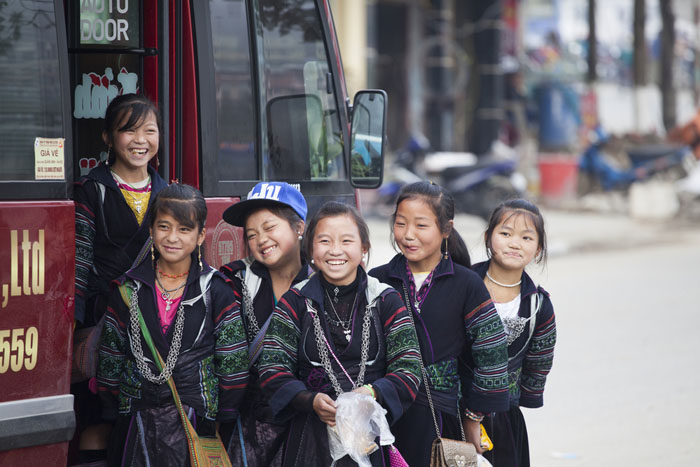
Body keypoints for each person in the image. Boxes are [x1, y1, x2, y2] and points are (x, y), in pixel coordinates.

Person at [257, 201, 421, 467]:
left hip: (370, 439)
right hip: (308, 441)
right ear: (310, 250)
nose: (335, 251)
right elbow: (272, 369)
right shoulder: (295, 302)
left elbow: (410, 369)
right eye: (324, 241)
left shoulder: (385, 301)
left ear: (364, 249)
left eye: (346, 241)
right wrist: (309, 400)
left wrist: (371, 392)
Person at [96, 184, 249, 466]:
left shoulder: (216, 290)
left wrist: (223, 417)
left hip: (196, 420)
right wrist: (111, 411)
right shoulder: (127, 288)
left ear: (201, 235)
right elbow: (111, 358)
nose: (172, 238)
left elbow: (233, 364)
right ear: (151, 231)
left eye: (184, 229)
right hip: (137, 420)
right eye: (164, 227)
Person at [368, 181, 510, 466]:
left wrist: (473, 417)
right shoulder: (378, 279)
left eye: (421, 226)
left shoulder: (466, 284)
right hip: (384, 416)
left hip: (443, 418)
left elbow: (492, 356)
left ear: (446, 229)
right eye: (400, 223)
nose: (408, 235)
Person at [72, 93, 168, 465]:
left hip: (159, 325)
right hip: (104, 319)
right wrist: (76, 324)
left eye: (149, 130)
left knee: (146, 414)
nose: (140, 139)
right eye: (128, 130)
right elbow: (80, 260)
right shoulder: (92, 189)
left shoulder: (170, 192)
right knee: (101, 417)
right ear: (108, 138)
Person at [219, 182, 310, 467]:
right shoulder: (233, 280)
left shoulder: (324, 280)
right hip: (247, 422)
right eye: (252, 234)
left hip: (306, 417)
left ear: (299, 228)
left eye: (270, 228)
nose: (261, 240)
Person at [472, 199, 556, 467]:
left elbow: (539, 360)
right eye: (505, 233)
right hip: (452, 410)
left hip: (503, 417)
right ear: (488, 238)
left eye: (526, 237)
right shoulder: (464, 285)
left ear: (538, 248)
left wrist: (526, 395)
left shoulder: (538, 306)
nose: (514, 243)